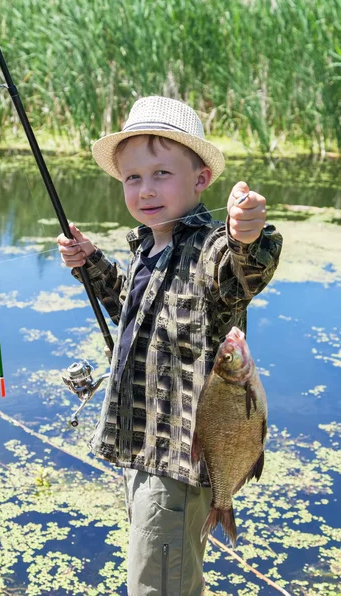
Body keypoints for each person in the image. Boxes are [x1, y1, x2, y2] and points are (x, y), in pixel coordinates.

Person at [57, 96, 282, 596]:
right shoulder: (147, 245)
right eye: (133, 178)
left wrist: (247, 234)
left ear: (201, 179)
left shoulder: (208, 247)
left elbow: (242, 271)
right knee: (165, 578)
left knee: (157, 587)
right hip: (140, 449)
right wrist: (92, 263)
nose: (145, 189)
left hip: (178, 465)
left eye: (162, 173)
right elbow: (131, 311)